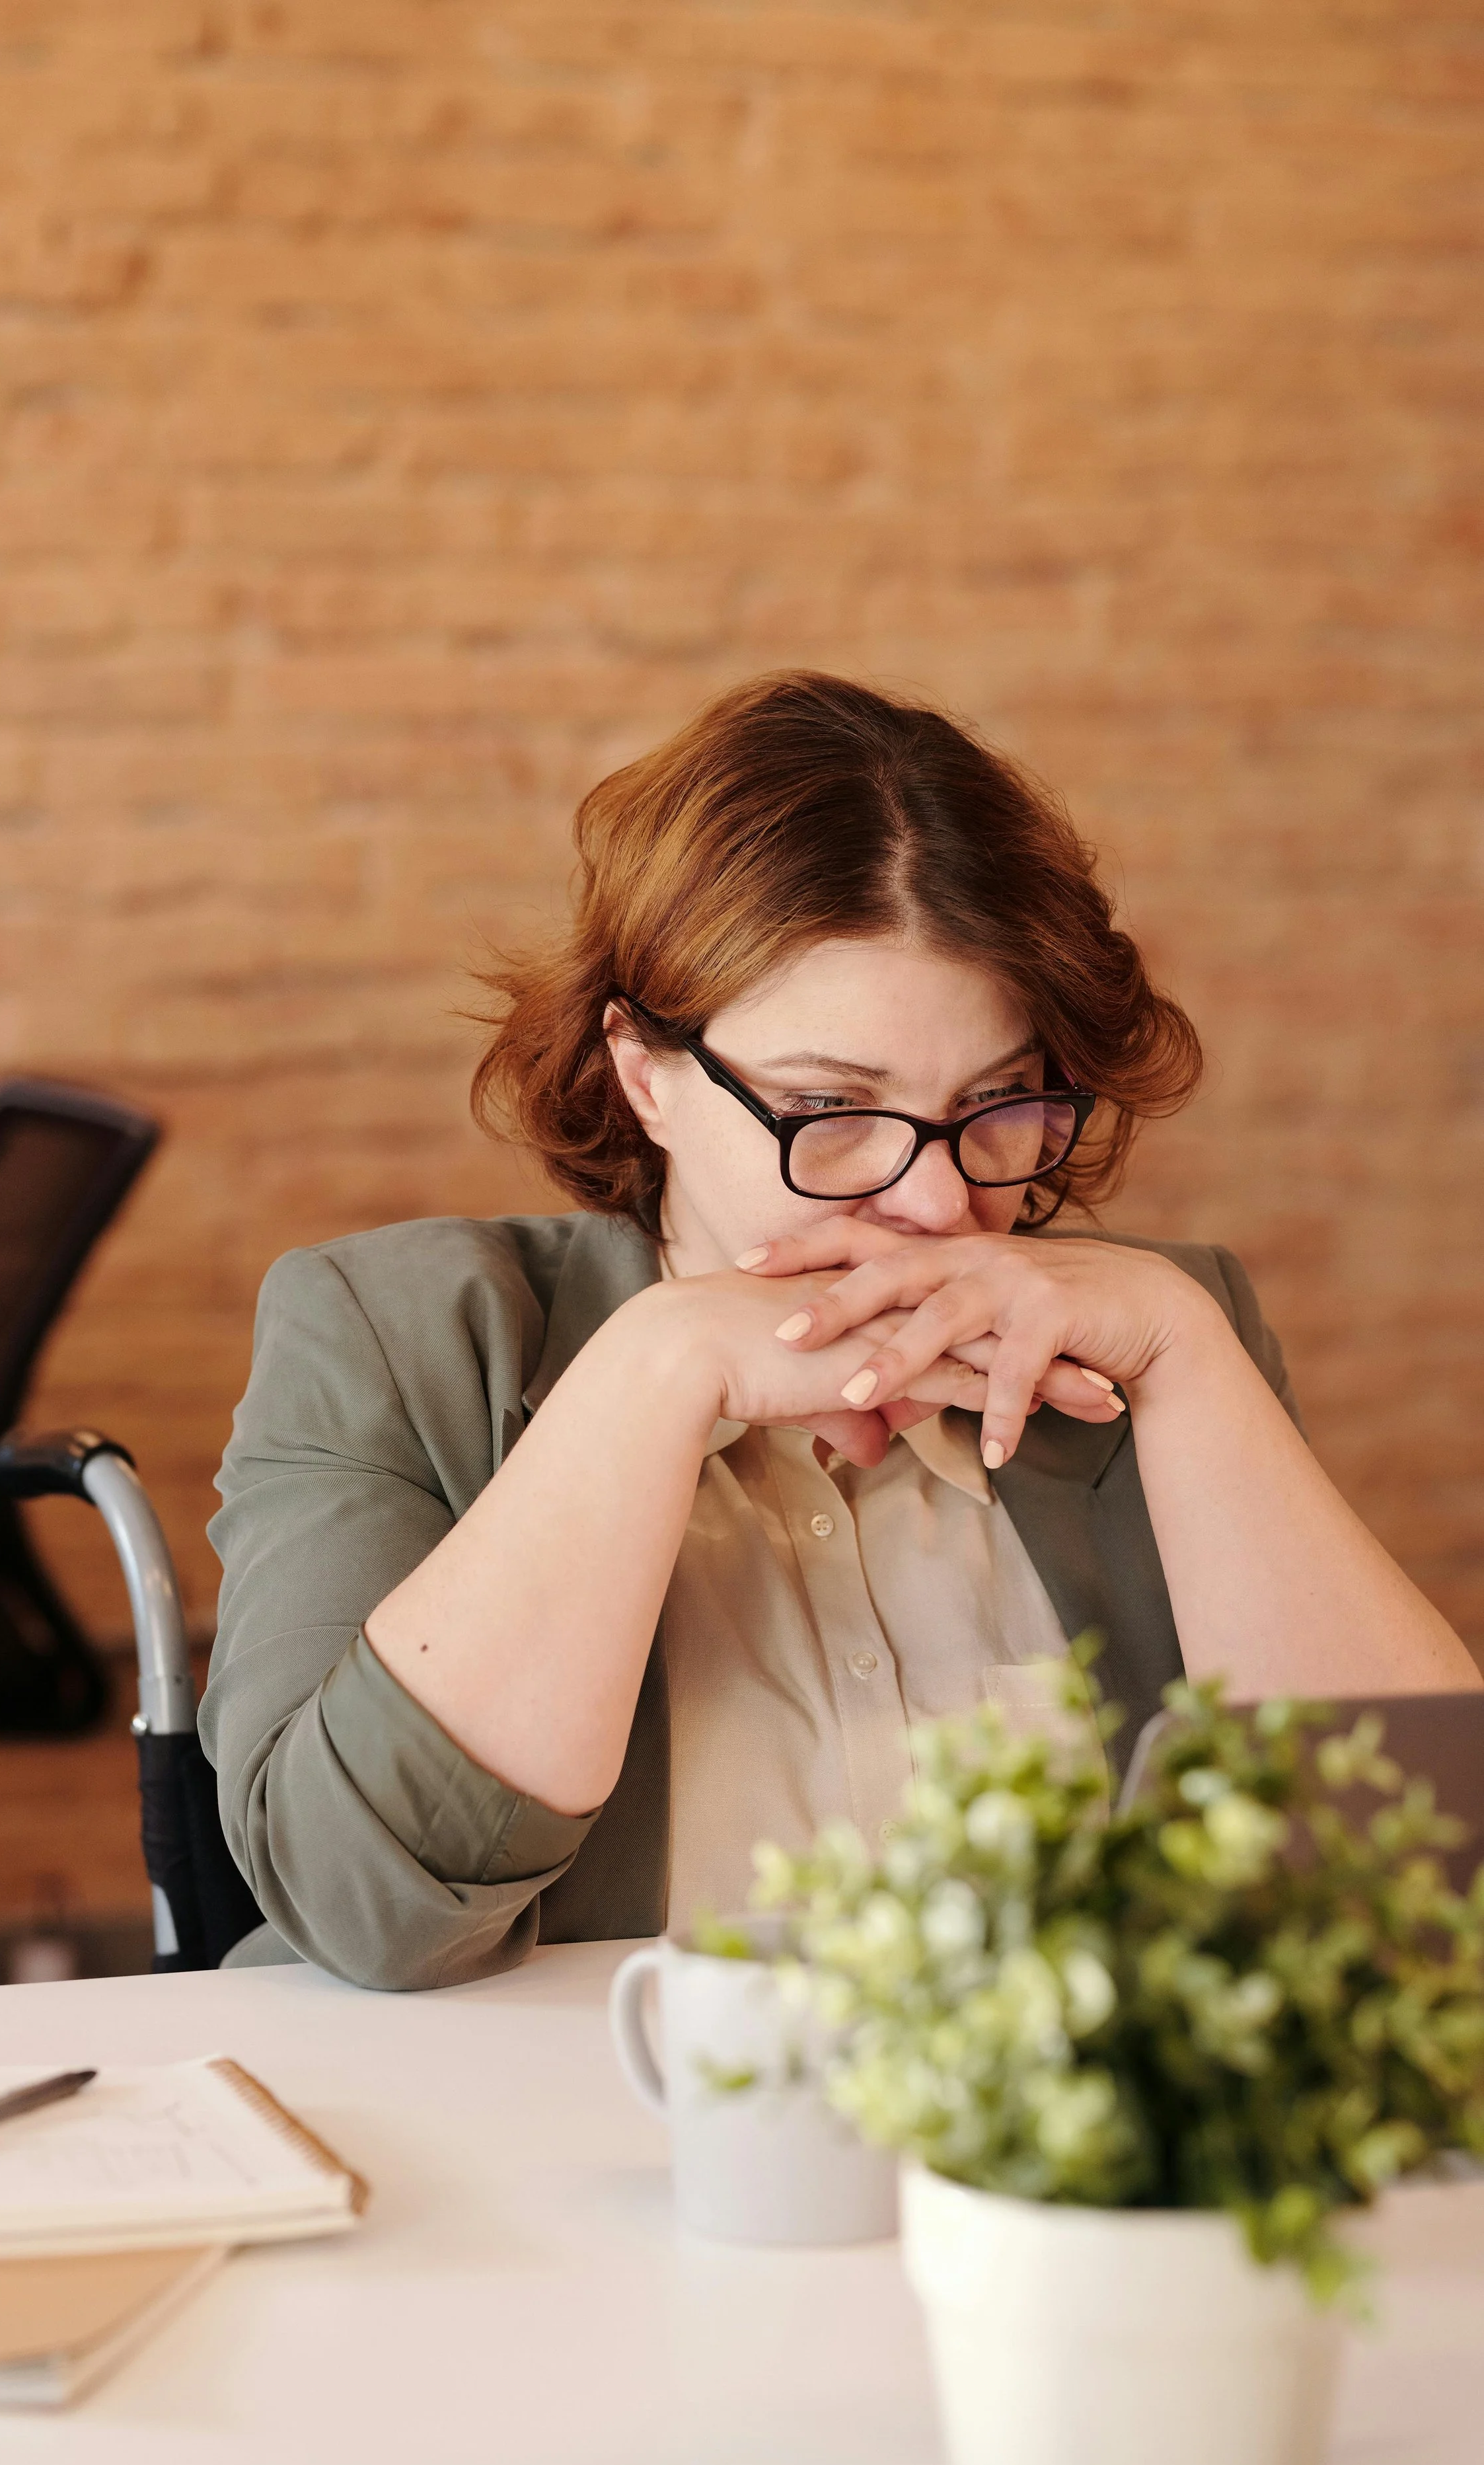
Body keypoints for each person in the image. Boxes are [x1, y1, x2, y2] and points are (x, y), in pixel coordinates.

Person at [204, 673, 1477, 1988]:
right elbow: (364, 1913)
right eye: (831, 1110)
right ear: (646, 1075)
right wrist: (656, 1369)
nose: (938, 1200)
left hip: (1043, 2185)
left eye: (997, 1103)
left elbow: (1414, 1891)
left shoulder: (1148, 1338)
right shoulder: (396, 1333)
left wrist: (1184, 1351)